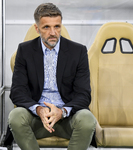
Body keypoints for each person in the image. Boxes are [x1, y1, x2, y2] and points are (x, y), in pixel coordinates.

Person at [8, 3, 96, 150]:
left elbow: (84, 95)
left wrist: (61, 112)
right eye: (46, 27)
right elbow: (17, 91)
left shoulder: (78, 51)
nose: (53, 32)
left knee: (87, 119)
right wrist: (39, 110)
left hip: (67, 118)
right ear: (37, 29)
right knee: (16, 116)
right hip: (36, 119)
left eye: (57, 26)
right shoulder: (24, 51)